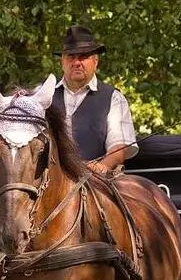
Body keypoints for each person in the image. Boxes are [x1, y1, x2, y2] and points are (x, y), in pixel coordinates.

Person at [51, 25, 138, 174]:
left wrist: (101, 167)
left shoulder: (113, 98)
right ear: (62, 62)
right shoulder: (44, 96)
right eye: (71, 57)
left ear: (95, 62)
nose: (77, 62)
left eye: (83, 56)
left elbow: (118, 148)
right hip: (49, 185)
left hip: (96, 183)